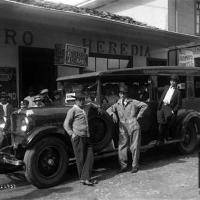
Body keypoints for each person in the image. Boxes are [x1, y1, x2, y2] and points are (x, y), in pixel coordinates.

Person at [107, 84, 148, 173]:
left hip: (133, 126)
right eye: (121, 93)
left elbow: (144, 105)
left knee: (135, 146)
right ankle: (123, 166)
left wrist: (138, 116)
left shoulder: (133, 102)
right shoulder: (117, 104)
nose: (122, 95)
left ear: (126, 94)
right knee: (122, 147)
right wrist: (113, 114)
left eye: (124, 93)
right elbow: (108, 110)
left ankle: (135, 166)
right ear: (119, 94)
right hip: (123, 128)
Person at [63, 92, 97, 186]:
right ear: (76, 101)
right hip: (78, 137)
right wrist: (72, 134)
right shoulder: (72, 110)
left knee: (89, 157)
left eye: (83, 99)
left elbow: (91, 104)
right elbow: (66, 124)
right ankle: (85, 179)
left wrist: (97, 108)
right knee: (80, 159)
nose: (82, 101)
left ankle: (84, 178)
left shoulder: (86, 107)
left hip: (87, 136)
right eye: (79, 100)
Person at [157, 74, 182, 144]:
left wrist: (173, 111)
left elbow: (179, 104)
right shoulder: (166, 87)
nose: (172, 82)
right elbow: (157, 89)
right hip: (162, 107)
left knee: (165, 124)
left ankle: (164, 138)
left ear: (176, 82)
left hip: (169, 108)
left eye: (174, 81)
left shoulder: (178, 92)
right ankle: (160, 140)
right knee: (160, 123)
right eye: (171, 81)